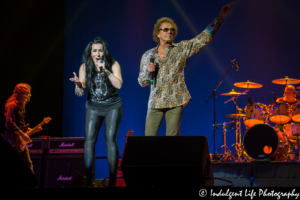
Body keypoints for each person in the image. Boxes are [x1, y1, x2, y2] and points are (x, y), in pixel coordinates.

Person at [138, 2, 234, 136]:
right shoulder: (148, 55)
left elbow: (202, 38)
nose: (169, 32)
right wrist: (149, 72)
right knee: (148, 139)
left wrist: (218, 18)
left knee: (172, 141)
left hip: (175, 99)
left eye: (171, 30)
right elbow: (142, 82)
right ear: (158, 34)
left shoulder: (181, 48)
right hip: (155, 101)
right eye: (165, 29)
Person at [70, 37, 123, 187]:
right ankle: (89, 181)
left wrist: (105, 70)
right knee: (89, 141)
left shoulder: (113, 64)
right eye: (95, 51)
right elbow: (82, 89)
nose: (98, 53)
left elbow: (119, 84)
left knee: (110, 140)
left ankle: (112, 182)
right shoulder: (85, 66)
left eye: (100, 50)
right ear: (90, 52)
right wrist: (79, 83)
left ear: (104, 51)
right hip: (93, 107)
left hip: (112, 106)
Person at [4, 83, 42, 173]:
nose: (30, 95)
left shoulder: (22, 107)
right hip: (11, 140)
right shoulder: (12, 105)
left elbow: (20, 125)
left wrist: (31, 130)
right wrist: (22, 135)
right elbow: (10, 123)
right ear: (21, 94)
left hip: (19, 141)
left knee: (27, 165)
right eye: (28, 93)